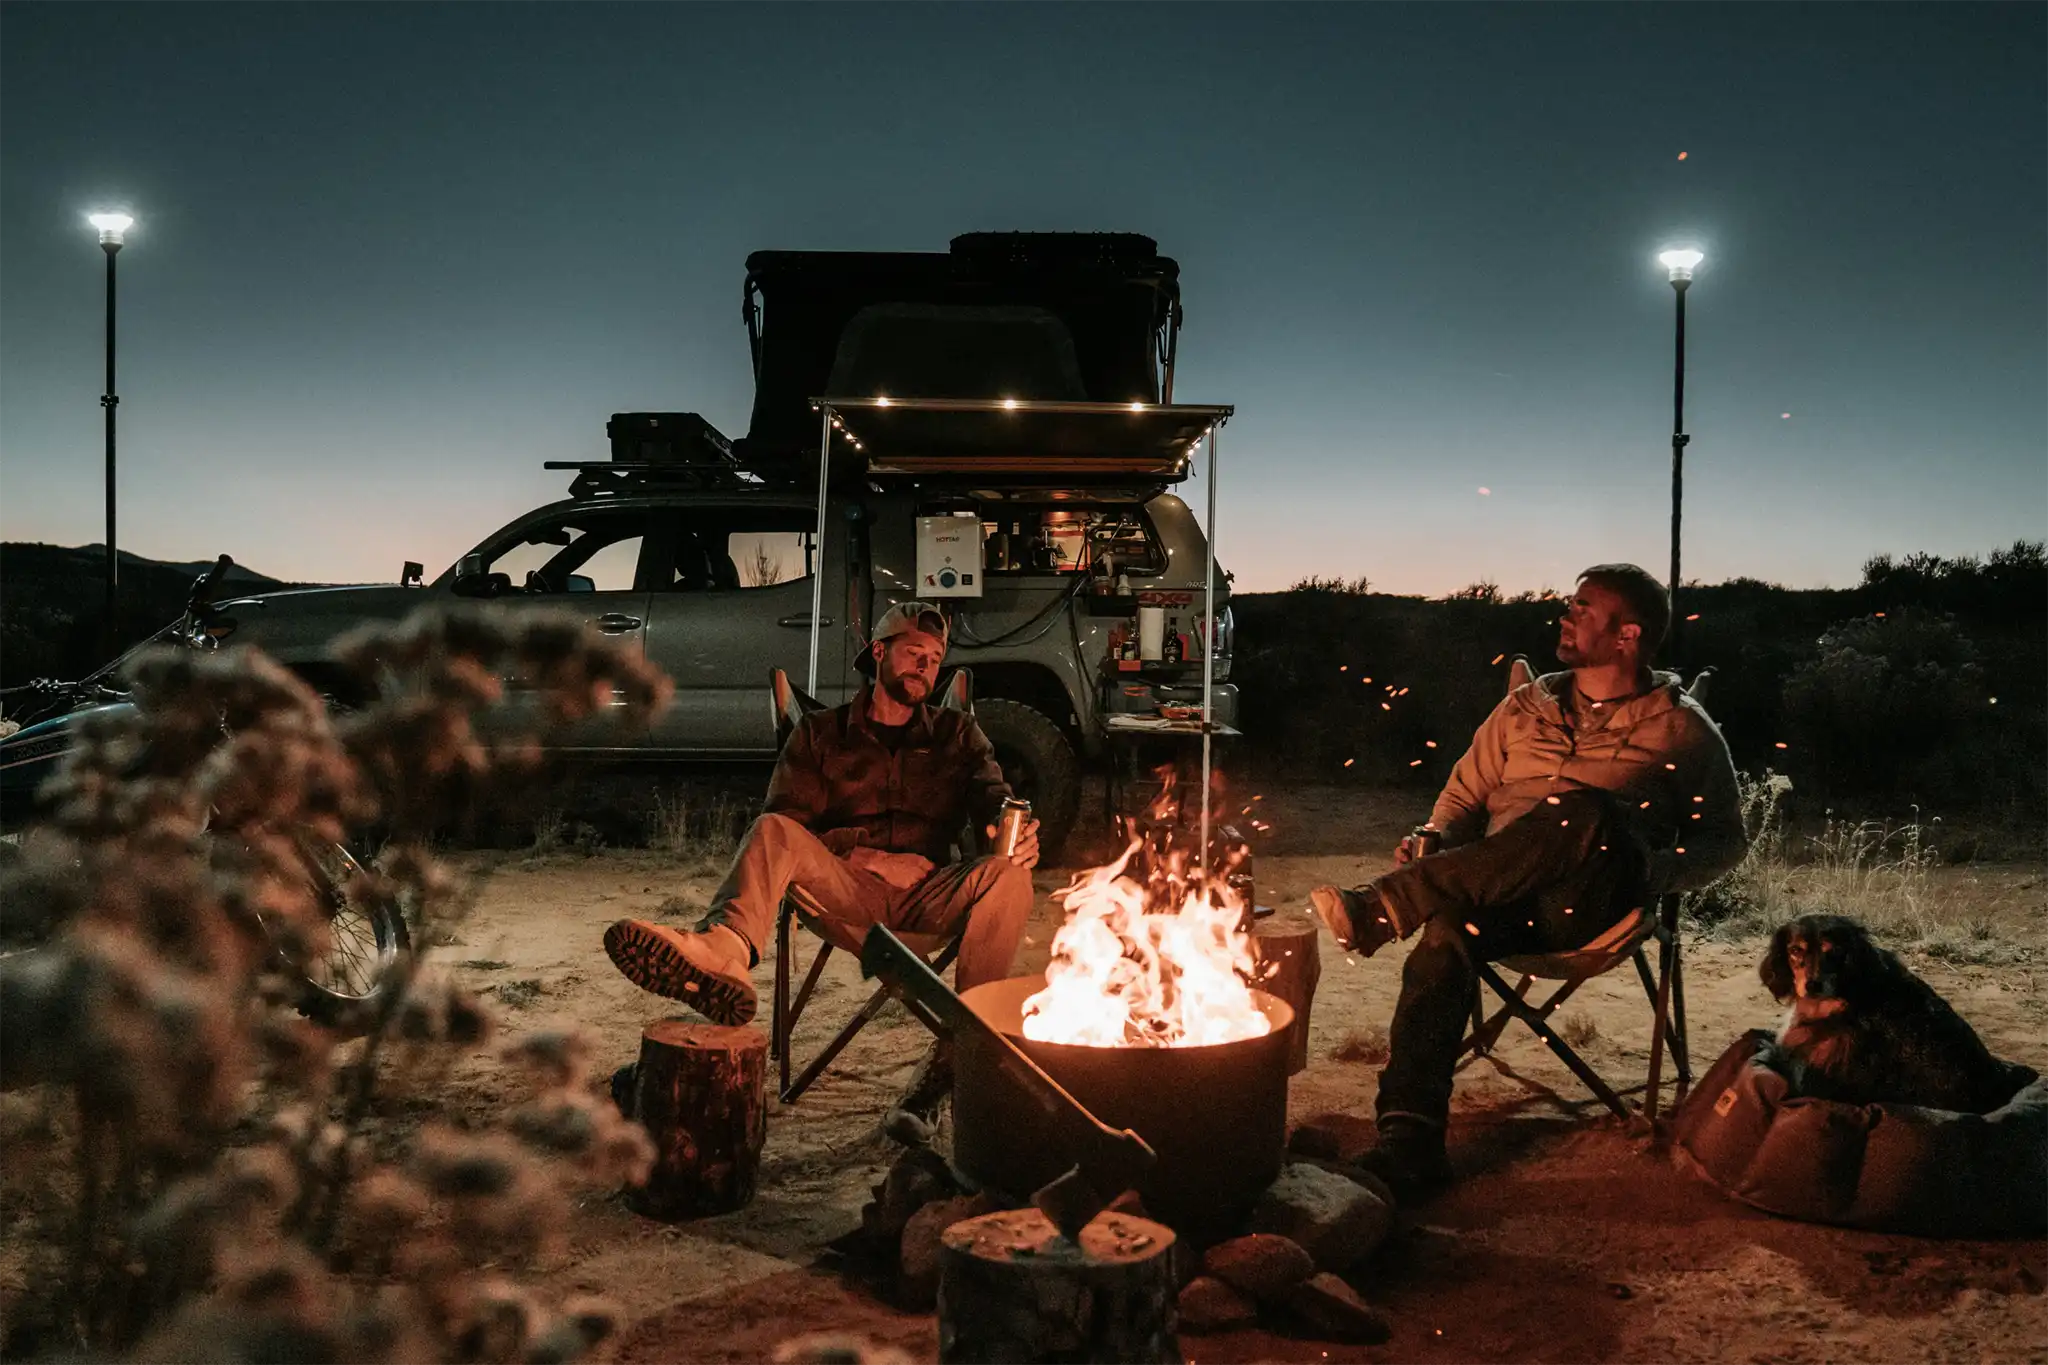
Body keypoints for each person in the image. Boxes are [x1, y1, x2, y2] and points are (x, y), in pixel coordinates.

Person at [1309, 564, 1744, 1204]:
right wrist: (1437, 839)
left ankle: (1385, 906)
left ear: (1627, 636)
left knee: (1587, 810)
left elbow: (1725, 842)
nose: (1565, 617)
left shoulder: (1680, 727)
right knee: (1450, 928)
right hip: (1501, 894)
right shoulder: (1522, 709)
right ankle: (1411, 1143)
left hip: (1594, 906)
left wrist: (1656, 873)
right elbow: (1460, 799)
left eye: (1582, 608)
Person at [604, 601, 1039, 1141]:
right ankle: (723, 953)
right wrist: (867, 855)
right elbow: (788, 822)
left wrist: (1010, 829)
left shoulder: (959, 735)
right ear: (877, 653)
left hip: (931, 893)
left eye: (933, 659)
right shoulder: (818, 734)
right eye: (912, 654)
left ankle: (963, 1055)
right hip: (842, 891)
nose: (924, 667)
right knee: (770, 831)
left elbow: (994, 798)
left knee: (1011, 878)